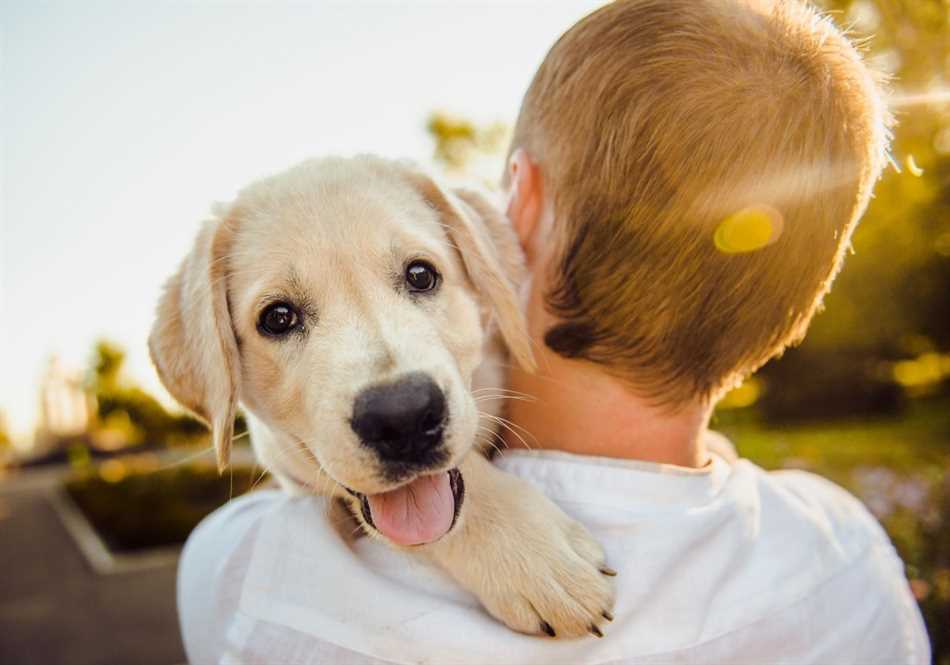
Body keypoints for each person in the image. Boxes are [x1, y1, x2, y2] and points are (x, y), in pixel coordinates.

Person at [177, 0, 931, 662]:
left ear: (518, 209)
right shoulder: (849, 559)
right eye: (281, 318)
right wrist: (474, 517)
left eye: (418, 276)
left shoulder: (247, 577)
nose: (392, 380)